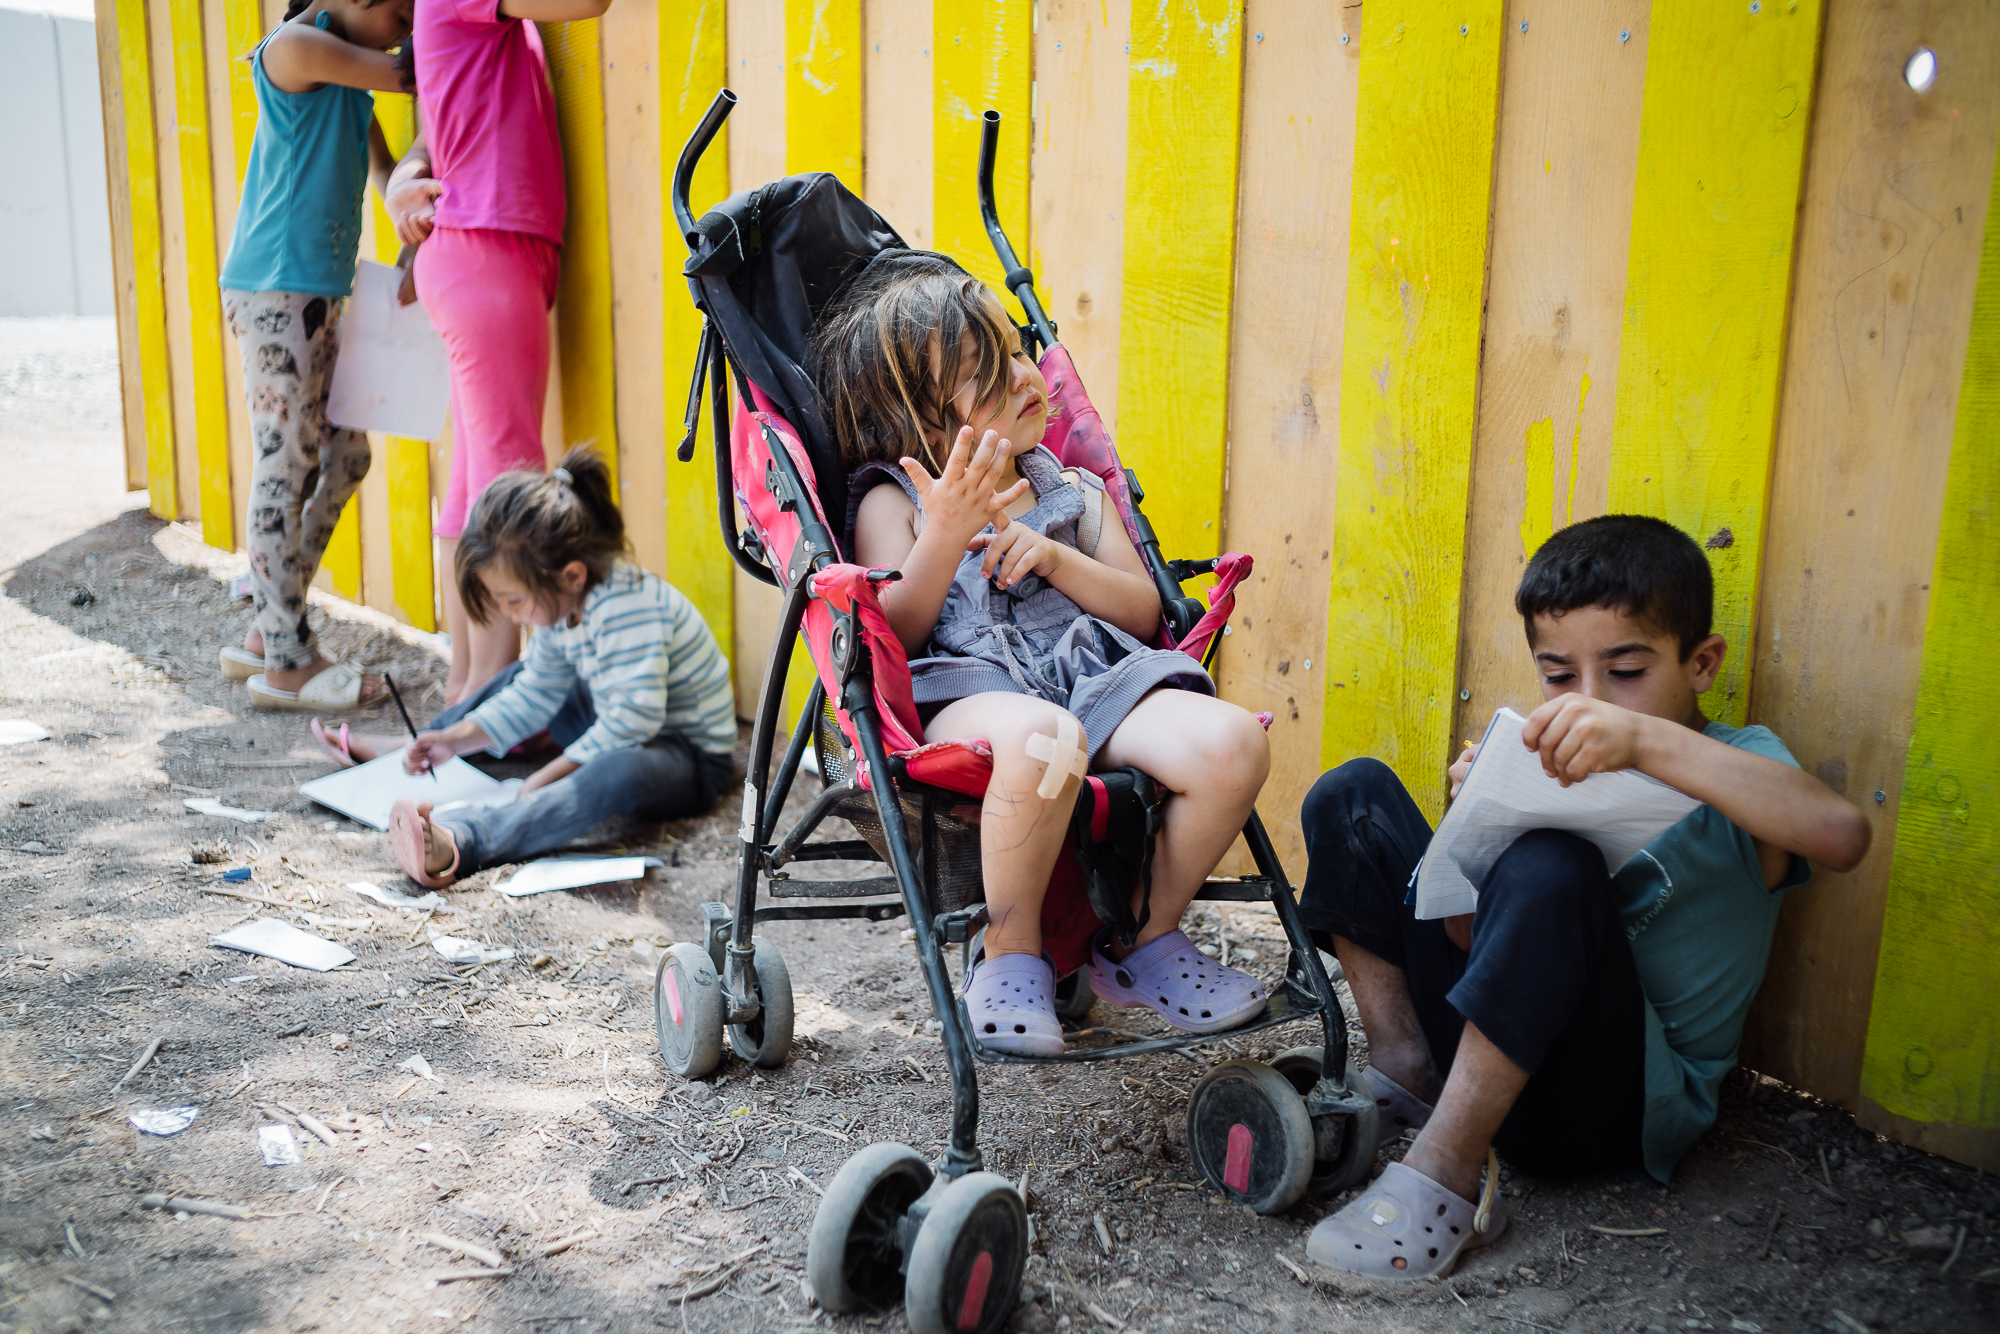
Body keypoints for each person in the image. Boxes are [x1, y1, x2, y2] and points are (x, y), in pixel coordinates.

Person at [1298, 515, 1871, 1281]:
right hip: (1504, 1049)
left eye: (1626, 672)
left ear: (1701, 663)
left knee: (1552, 865)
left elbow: (1842, 834)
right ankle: (1411, 1077)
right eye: (1561, 678)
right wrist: (1478, 836)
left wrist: (1641, 743)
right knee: (1354, 795)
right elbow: (1471, 943)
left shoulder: (1737, 766)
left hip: (1612, 1107)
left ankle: (1447, 1174)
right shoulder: (1550, 765)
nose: (1591, 702)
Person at [818, 250, 1273, 1057]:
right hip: (975, 683)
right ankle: (1010, 952)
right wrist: (947, 533)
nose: (1028, 379)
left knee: (1233, 744)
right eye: (990, 379)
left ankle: (1142, 938)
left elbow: (1142, 612)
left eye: (1019, 351)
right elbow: (896, 633)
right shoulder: (896, 498)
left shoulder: (1070, 488)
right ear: (927, 424)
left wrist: (1062, 559)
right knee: (1043, 738)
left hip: (1095, 674)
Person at [309, 448, 736, 884]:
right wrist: (455, 739)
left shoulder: (625, 608)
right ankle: (416, 744)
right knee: (516, 678)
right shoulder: (561, 603)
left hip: (687, 756)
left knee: (616, 770)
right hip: (613, 716)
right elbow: (538, 690)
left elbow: (632, 725)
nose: (510, 614)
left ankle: (465, 839)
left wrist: (542, 783)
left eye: (513, 600)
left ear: (572, 576)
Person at [382, 0, 613, 705]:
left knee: (474, 484)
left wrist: (404, 173)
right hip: (487, 247)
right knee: (507, 485)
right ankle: (494, 690)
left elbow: (439, 124)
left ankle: (467, 683)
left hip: (484, 248)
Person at [216, 0, 415, 711]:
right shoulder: (296, 48)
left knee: (347, 455)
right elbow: (409, 74)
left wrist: (417, 202)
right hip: (276, 286)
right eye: (405, 8)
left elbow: (386, 175)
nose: (414, 19)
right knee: (284, 464)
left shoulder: (354, 88)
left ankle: (270, 629)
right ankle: (288, 662)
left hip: (318, 293)